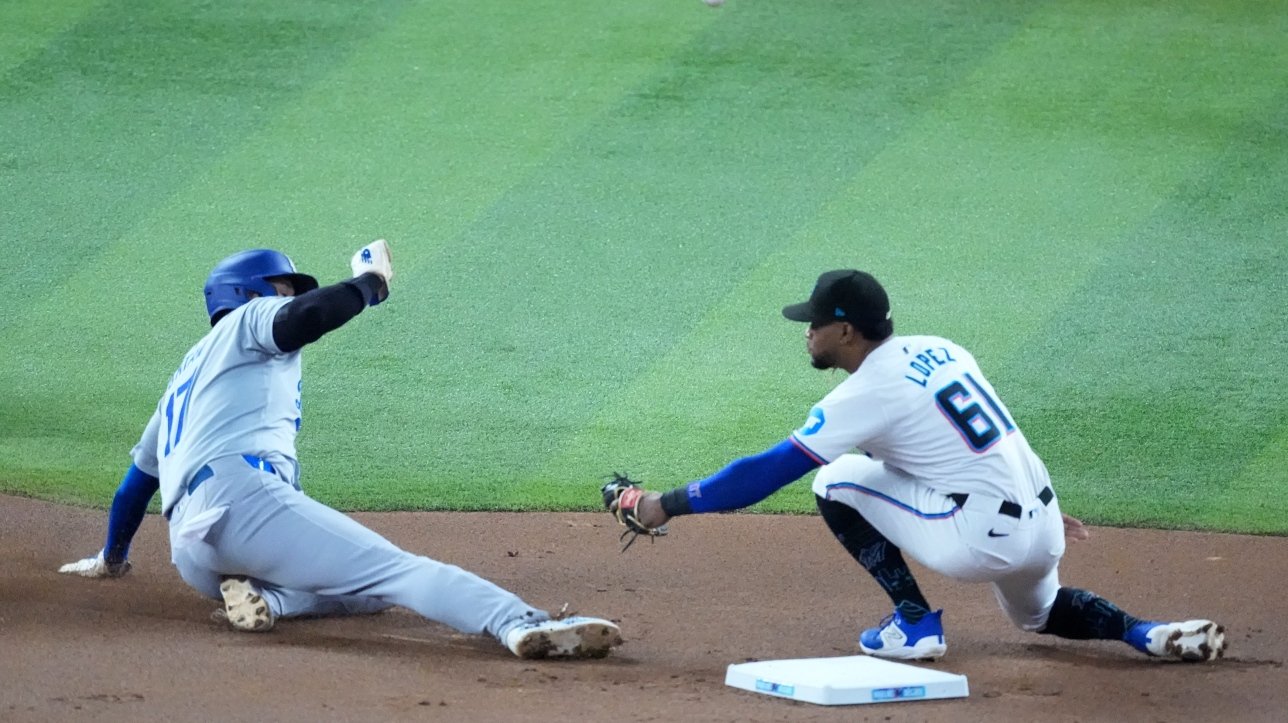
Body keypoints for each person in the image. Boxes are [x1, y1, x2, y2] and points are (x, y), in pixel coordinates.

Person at [616, 269, 1226, 663]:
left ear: (846, 332)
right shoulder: (941, 348)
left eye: (815, 325)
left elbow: (763, 473)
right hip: (1041, 519)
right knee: (1038, 614)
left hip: (981, 537)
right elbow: (988, 440)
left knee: (834, 478)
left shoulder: (865, 393)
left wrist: (660, 504)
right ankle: (1145, 633)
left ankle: (914, 623)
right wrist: (1043, 512)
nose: (806, 334)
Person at [60, 242, 621, 660]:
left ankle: (270, 600)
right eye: (281, 288)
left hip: (193, 554)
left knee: (362, 594)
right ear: (244, 294)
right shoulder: (246, 323)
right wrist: (368, 285)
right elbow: (307, 317)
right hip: (244, 501)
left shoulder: (183, 380)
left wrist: (111, 558)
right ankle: (519, 623)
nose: (291, 298)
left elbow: (136, 484)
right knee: (396, 572)